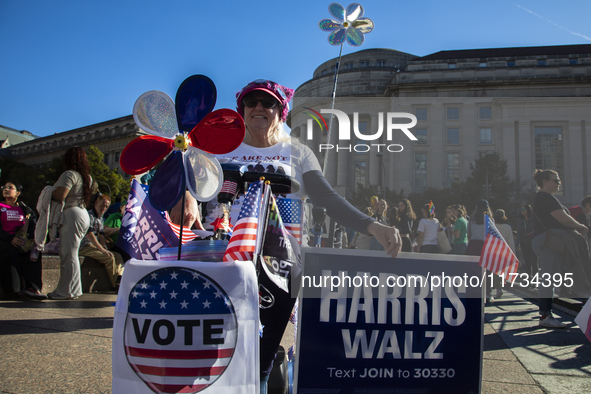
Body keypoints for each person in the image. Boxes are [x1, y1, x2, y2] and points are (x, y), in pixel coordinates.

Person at [213, 79, 402, 393]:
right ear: (242, 109)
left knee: (259, 353)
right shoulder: (220, 148)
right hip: (223, 257)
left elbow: (327, 198)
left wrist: (373, 225)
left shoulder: (298, 152)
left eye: (268, 102)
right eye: (251, 101)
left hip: (280, 265)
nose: (259, 107)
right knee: (224, 347)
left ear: (281, 110)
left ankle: (263, 378)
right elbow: (193, 186)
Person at [531, 169, 588, 328]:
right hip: (549, 242)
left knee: (554, 277)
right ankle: (545, 316)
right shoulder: (545, 197)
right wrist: (580, 226)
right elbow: (562, 218)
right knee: (548, 279)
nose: (559, 183)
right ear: (545, 182)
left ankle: (549, 313)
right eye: (555, 180)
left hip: (548, 242)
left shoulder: (544, 197)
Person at [49, 146, 92, 300]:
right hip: (82, 214)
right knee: (71, 253)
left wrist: (49, 191)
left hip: (71, 214)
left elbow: (61, 195)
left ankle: (67, 291)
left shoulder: (69, 174)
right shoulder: (86, 177)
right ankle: (70, 289)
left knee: (69, 253)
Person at [0, 181, 46, 300]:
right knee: (10, 251)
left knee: (33, 252)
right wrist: (10, 239)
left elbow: (33, 224)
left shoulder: (25, 209)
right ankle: (13, 291)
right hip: (4, 239)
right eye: (4, 187)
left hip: (21, 240)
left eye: (10, 187)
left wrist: (30, 238)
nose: (6, 189)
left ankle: (33, 288)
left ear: (18, 193)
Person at [79, 194, 124, 289]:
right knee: (109, 258)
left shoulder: (100, 218)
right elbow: (90, 235)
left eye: (106, 206)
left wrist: (104, 247)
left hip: (94, 246)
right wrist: (103, 250)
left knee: (118, 256)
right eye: (103, 205)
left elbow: (101, 234)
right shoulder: (89, 215)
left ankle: (119, 278)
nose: (104, 208)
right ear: (96, 203)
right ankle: (116, 287)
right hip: (84, 246)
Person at [516, 204, 537, 279]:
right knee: (527, 262)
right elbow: (518, 232)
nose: (522, 212)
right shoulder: (520, 220)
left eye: (524, 210)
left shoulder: (533, 219)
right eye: (521, 210)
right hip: (524, 243)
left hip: (532, 243)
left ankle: (535, 280)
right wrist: (518, 243)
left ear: (528, 210)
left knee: (534, 262)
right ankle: (528, 279)